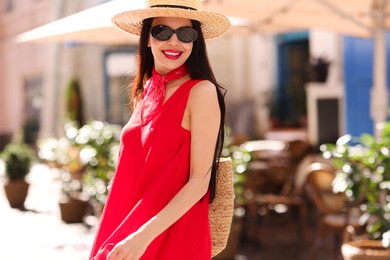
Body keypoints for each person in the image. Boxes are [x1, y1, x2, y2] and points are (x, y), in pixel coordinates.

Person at [89, 0, 230, 259]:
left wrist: (141, 237)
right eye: (162, 31)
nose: (174, 42)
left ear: (195, 41)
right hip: (126, 226)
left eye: (185, 34)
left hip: (169, 234)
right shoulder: (146, 92)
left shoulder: (201, 92)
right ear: (147, 39)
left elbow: (200, 182)